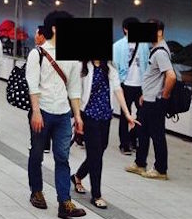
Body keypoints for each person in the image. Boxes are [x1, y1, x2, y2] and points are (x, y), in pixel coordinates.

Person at [25, 11, 86, 219]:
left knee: (62, 157)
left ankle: (64, 202)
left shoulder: (73, 57)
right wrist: (35, 111)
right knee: (37, 154)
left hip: (63, 114)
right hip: (42, 111)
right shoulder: (38, 54)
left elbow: (74, 89)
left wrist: (77, 116)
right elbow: (33, 86)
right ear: (55, 28)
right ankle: (36, 191)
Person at [71, 60, 138, 208]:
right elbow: (75, 92)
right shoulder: (83, 67)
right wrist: (77, 117)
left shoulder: (109, 67)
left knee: (100, 150)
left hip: (106, 116)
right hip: (89, 115)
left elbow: (118, 90)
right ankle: (96, 195)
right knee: (96, 155)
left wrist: (127, 113)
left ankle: (77, 176)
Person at [126, 19, 176, 180]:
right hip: (148, 99)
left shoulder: (160, 52)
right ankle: (140, 163)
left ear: (159, 32)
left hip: (155, 101)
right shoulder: (155, 49)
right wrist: (145, 94)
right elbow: (154, 76)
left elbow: (171, 76)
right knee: (142, 132)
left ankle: (161, 169)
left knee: (157, 135)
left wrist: (164, 96)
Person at [112, 17, 149, 154]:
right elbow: (114, 67)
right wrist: (118, 85)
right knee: (124, 115)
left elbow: (147, 65)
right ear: (126, 29)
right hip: (125, 84)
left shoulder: (144, 45)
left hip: (141, 85)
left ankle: (133, 137)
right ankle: (124, 143)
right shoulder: (117, 46)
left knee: (143, 115)